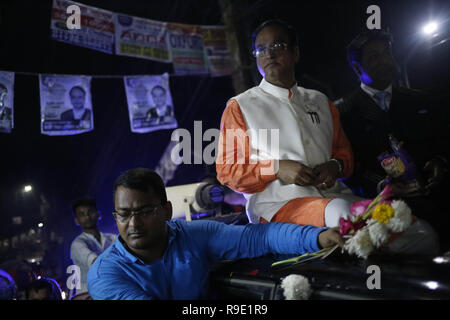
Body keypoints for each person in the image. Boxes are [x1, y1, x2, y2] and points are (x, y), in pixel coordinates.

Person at [87, 168, 344, 300]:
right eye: (123, 214)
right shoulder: (105, 274)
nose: (133, 223)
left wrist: (317, 237)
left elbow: (261, 237)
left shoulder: (195, 235)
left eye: (144, 211)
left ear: (166, 211)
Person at [216, 19, 362, 228]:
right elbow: (228, 171)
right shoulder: (241, 106)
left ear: (295, 53)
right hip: (277, 206)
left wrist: (335, 166)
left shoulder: (320, 101)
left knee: (409, 223)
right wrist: (275, 168)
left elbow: (344, 155)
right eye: (261, 49)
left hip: (334, 197)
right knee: (343, 214)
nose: (269, 54)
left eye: (277, 46)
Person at [335, 29, 449, 250]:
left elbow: (442, 140)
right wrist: (382, 185)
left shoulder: (419, 100)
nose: (385, 60)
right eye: (374, 57)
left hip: (438, 195)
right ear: (357, 68)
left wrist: (439, 162)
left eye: (386, 52)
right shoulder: (343, 113)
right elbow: (347, 166)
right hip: (386, 208)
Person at [70, 198, 115, 296]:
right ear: (77, 220)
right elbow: (95, 262)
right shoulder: (77, 244)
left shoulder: (112, 238)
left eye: (90, 212)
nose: (87, 216)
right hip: (88, 295)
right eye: (82, 214)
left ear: (98, 214)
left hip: (111, 292)